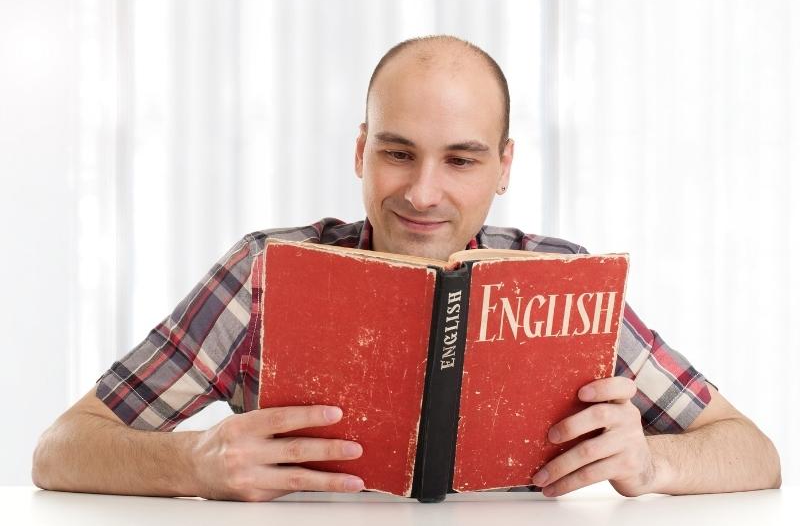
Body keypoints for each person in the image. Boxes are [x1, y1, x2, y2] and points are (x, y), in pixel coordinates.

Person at [32, 35, 781, 502]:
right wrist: (193, 461)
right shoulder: (265, 272)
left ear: (504, 165)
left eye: (461, 158)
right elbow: (60, 447)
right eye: (397, 152)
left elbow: (752, 449)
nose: (423, 192)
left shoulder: (563, 286)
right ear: (360, 151)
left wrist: (650, 465)